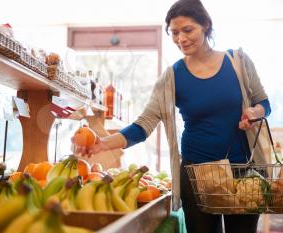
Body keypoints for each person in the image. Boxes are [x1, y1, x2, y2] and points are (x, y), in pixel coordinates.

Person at [74, 0, 271, 232]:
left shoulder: (237, 61)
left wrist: (253, 112)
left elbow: (263, 103)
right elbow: (143, 125)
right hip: (196, 175)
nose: (181, 39)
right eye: (174, 33)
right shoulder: (172, 77)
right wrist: (103, 144)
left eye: (188, 30)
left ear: (206, 25)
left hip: (242, 171)